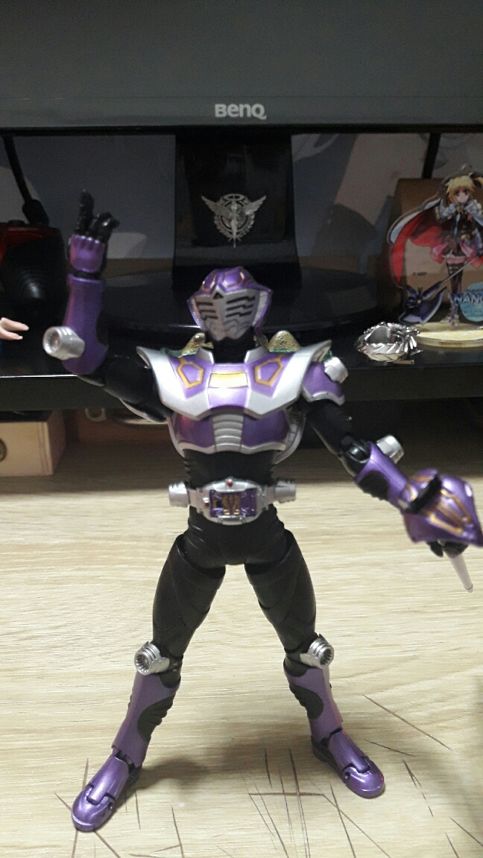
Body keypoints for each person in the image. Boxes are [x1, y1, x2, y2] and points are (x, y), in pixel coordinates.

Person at [44, 194, 483, 832]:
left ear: (262, 306)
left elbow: (351, 447)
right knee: (158, 656)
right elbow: (79, 355)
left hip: (267, 537)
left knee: (309, 649)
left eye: (240, 298)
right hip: (201, 540)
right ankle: (125, 757)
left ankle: (330, 734)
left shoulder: (295, 371)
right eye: (213, 299)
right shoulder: (175, 376)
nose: (226, 304)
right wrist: (84, 275)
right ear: (196, 309)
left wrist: (411, 499)